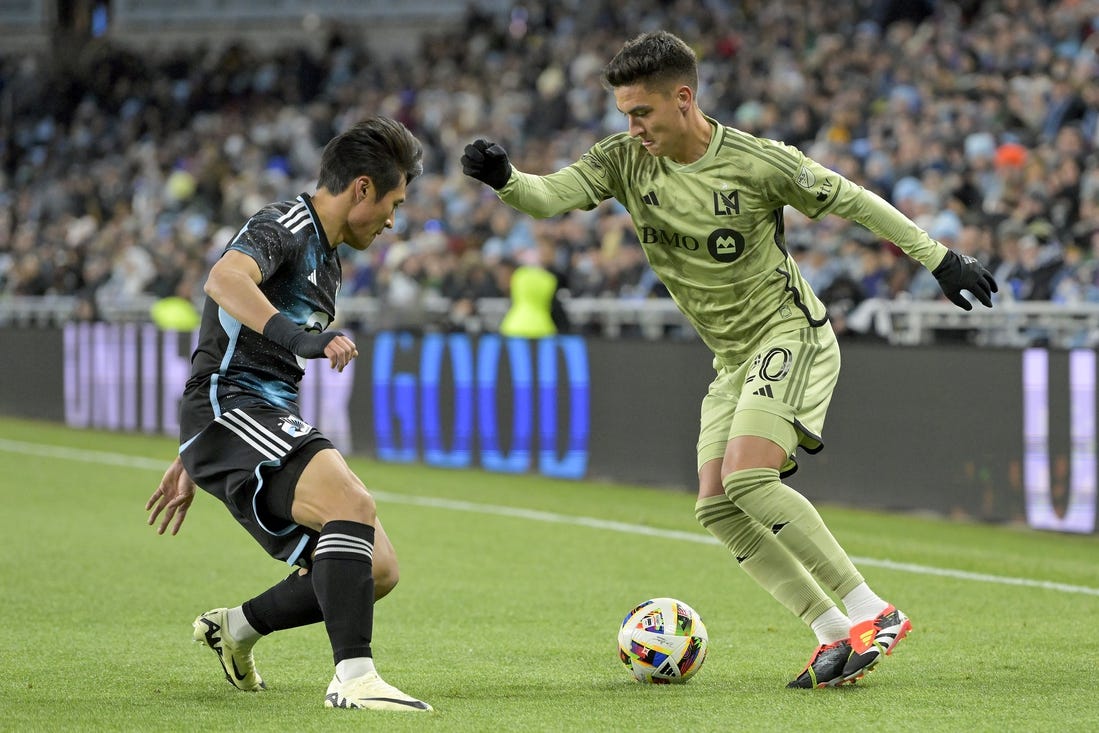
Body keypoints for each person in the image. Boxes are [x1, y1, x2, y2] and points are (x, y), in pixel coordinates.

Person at [461, 31, 997, 689]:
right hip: (731, 356)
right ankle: (831, 632)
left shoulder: (756, 161)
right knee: (715, 505)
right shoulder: (625, 160)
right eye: (624, 115)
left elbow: (854, 200)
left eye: (641, 114)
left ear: (682, 99)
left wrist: (938, 259)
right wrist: (504, 179)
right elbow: (547, 197)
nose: (631, 128)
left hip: (788, 330)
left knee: (747, 480)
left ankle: (873, 611)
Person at [145, 116, 432, 712]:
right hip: (231, 406)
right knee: (352, 505)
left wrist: (191, 454)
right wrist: (297, 338)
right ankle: (354, 679)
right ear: (361, 189)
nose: (391, 222)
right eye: (393, 203)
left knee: (377, 569)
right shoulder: (286, 224)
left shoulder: (328, 260)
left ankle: (237, 628)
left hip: (248, 417)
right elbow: (223, 279)